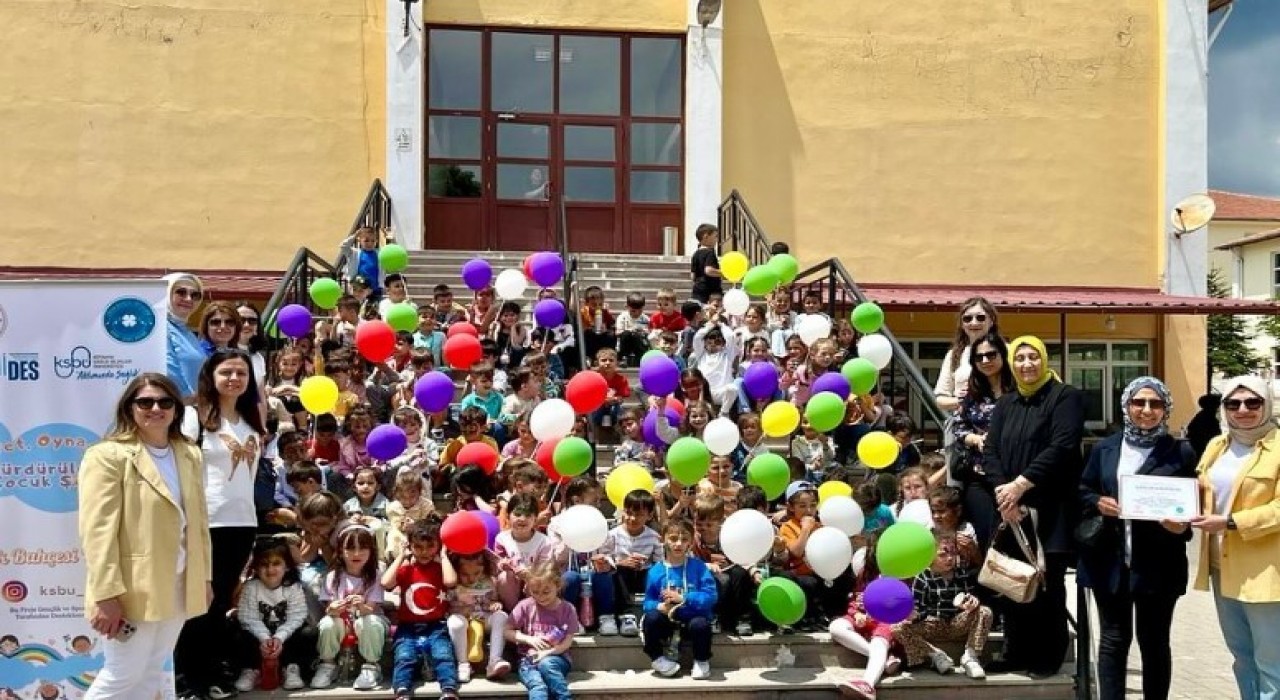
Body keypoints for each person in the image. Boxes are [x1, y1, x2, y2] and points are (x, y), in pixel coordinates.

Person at [79, 374, 212, 700]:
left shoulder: (189, 453)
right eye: (145, 402)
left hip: (181, 582)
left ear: (177, 409)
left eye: (165, 402)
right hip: (132, 588)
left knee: (153, 672)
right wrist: (106, 593)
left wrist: (203, 579)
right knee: (122, 676)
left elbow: (199, 523)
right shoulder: (107, 455)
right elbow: (97, 530)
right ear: (130, 408)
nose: (156, 408)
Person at [1077, 376, 1196, 700]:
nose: (1146, 410)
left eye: (1155, 403)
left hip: (1158, 565)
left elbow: (1193, 506)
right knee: (1113, 641)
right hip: (1110, 562)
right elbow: (1083, 490)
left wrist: (1182, 526)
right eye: (1138, 402)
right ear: (1126, 405)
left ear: (1166, 409)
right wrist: (1098, 502)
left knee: (1155, 641)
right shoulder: (1105, 448)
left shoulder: (1180, 452)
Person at [982, 335, 1084, 677]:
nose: (1027, 364)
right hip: (1009, 509)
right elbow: (991, 451)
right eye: (1021, 358)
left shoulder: (1064, 397)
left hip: (1048, 508)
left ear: (1044, 359)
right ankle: (1015, 652)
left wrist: (1020, 487)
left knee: (1046, 585)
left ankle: (1048, 655)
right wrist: (1003, 494)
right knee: (1011, 582)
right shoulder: (1006, 403)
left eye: (1033, 357)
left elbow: (1062, 447)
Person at [175, 349, 267, 700]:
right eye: (226, 372)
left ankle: (212, 675)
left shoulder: (250, 423)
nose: (234, 379)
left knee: (219, 605)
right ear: (211, 377)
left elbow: (250, 476)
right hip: (204, 523)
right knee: (198, 603)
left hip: (242, 524)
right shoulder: (192, 417)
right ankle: (188, 681)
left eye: (241, 373)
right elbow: (183, 472)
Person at [1190, 375, 1280, 700]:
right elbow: (1199, 492)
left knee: (1272, 664)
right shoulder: (1217, 445)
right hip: (1221, 567)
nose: (1243, 410)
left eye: (1252, 402)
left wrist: (1231, 522)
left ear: (1266, 404)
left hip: (1265, 572)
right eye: (1233, 403)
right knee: (1242, 658)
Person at [384, 519, 459, 700]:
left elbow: (450, 582)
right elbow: (386, 583)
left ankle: (449, 689)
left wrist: (443, 555)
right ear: (410, 546)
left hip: (436, 624)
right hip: (407, 625)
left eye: (430, 546)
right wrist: (401, 556)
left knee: (443, 654)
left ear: (439, 546)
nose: (424, 552)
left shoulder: (440, 568)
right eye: (418, 547)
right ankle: (402, 690)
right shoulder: (407, 570)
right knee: (404, 655)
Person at [950, 332, 1013, 549]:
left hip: (1013, 478)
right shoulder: (972, 391)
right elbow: (959, 427)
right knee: (987, 538)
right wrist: (976, 439)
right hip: (979, 476)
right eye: (979, 357)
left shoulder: (1019, 390)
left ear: (1003, 356)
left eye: (991, 355)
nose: (985, 361)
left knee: (1013, 542)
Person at [232, 539, 315, 692]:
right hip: (259, 635)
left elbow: (297, 616)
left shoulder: (293, 588)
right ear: (256, 567)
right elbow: (248, 617)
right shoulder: (251, 588)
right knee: (238, 633)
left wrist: (279, 638)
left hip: (284, 635)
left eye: (276, 564)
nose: (270, 569)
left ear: (287, 566)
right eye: (264, 564)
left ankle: (291, 668)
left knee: (307, 633)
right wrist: (264, 638)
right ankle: (251, 669)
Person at [642, 519, 719, 680]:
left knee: (701, 624)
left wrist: (685, 597)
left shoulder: (698, 567)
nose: (678, 544)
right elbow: (647, 602)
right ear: (663, 540)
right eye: (673, 538)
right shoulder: (655, 571)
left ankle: (701, 661)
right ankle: (657, 659)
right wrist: (659, 606)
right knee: (650, 619)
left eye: (684, 540)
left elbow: (711, 596)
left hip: (691, 620)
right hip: (668, 622)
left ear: (690, 542)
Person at [506, 563, 579, 700]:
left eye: (546, 592)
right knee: (538, 686)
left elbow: (567, 641)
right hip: (529, 661)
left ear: (557, 587)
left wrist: (548, 652)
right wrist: (528, 639)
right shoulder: (525, 606)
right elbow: (507, 631)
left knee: (547, 664)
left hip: (557, 658)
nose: (540, 597)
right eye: (535, 592)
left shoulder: (568, 609)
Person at [932, 297, 998, 412]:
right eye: (967, 319)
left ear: (991, 321)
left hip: (999, 421)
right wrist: (962, 400)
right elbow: (940, 399)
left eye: (980, 317)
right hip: (964, 424)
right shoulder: (954, 355)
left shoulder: (1007, 350)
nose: (974, 322)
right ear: (962, 324)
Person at [163, 272, 207, 399]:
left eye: (195, 295)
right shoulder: (159, 328)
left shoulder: (187, 333)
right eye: (181, 292)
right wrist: (189, 398)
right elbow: (169, 369)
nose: (188, 299)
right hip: (172, 407)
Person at [689, 223, 723, 303]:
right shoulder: (710, 252)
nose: (717, 240)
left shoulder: (696, 254)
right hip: (710, 291)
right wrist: (725, 273)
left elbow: (692, 276)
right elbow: (709, 270)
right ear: (706, 237)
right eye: (715, 236)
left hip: (698, 290)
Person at [1185, 393, 1223, 458]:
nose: (1219, 408)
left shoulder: (1203, 416)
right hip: (1202, 452)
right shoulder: (1207, 418)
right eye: (1218, 404)